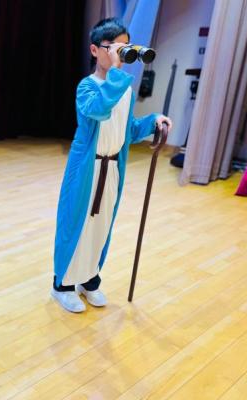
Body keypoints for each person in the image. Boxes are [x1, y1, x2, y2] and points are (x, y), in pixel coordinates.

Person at [51, 18, 172, 313]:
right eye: (114, 47)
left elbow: (128, 130)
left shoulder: (124, 90)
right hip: (86, 169)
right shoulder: (88, 86)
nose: (121, 53)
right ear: (95, 50)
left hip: (112, 169)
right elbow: (98, 110)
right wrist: (117, 74)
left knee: (101, 225)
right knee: (76, 224)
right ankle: (62, 285)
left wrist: (153, 121)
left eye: (125, 47)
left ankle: (89, 280)